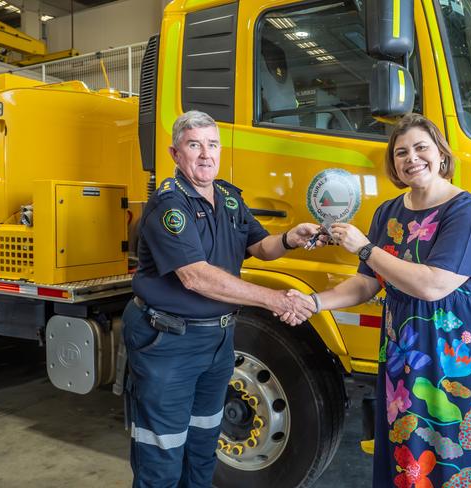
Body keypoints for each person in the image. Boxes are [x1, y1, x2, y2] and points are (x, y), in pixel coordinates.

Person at [285, 114, 471, 487]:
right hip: (403, 349)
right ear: (393, 164)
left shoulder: (468, 210)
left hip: (458, 350)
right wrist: (312, 303)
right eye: (401, 153)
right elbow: (366, 285)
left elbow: (433, 285)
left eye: (420, 148)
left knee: (463, 450)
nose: (411, 158)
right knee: (409, 449)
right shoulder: (387, 213)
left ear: (441, 154)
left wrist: (364, 247)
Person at [122, 110, 323, 487]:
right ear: (175, 153)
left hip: (217, 341)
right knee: (162, 452)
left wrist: (290, 238)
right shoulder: (169, 205)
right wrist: (275, 300)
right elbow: (196, 277)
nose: (205, 154)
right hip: (169, 343)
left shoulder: (229, 198)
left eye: (212, 144)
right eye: (193, 145)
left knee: (203, 444)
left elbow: (259, 247)